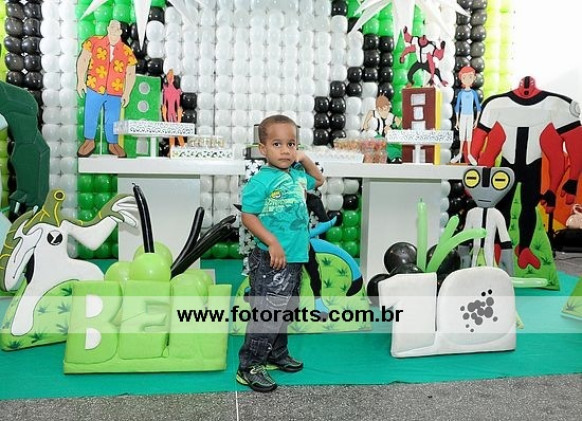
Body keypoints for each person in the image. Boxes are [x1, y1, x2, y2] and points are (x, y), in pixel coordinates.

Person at [237, 114, 325, 392]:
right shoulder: (261, 181)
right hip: (271, 261)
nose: (285, 150)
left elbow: (319, 179)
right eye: (277, 144)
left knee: (285, 310)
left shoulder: (297, 177)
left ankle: (276, 353)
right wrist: (272, 241)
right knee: (267, 314)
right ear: (263, 149)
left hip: (295, 259)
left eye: (291, 144)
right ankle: (249, 366)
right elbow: (248, 216)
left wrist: (304, 158)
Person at [471, 76, 582, 270]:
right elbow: (479, 142)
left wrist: (570, 181)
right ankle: (498, 247)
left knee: (528, 207)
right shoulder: (497, 104)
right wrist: (476, 169)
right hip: (507, 166)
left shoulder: (556, 105)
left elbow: (573, 145)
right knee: (503, 208)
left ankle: (523, 249)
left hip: (531, 165)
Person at [76, 20, 137, 158]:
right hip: (95, 86)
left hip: (115, 91)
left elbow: (130, 73)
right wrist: (80, 80)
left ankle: (113, 143)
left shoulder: (127, 51)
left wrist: (127, 92)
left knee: (113, 118)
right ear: (108, 28)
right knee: (91, 113)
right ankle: (89, 140)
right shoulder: (93, 42)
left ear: (120, 32)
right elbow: (84, 59)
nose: (113, 30)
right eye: (111, 27)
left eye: (117, 28)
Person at [453, 66, 481, 165]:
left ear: (474, 78)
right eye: (464, 77)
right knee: (462, 135)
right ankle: (460, 153)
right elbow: (457, 107)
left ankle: (469, 154)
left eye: (470, 77)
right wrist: (457, 120)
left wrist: (476, 120)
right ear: (461, 78)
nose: (467, 80)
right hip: (463, 115)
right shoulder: (461, 93)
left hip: (470, 115)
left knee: (469, 135)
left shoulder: (473, 93)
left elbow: (478, 107)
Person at [362, 95, 402, 163]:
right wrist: (365, 123)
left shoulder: (391, 117)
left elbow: (399, 122)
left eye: (385, 108)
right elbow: (370, 113)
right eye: (380, 109)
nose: (383, 110)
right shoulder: (377, 115)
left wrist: (392, 128)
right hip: (381, 142)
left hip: (390, 144)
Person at [162, 69, 185, 148]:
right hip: (169, 115)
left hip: (174, 114)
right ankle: (172, 149)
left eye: (171, 77)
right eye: (169, 77)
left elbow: (178, 106)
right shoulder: (166, 90)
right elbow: (164, 106)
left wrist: (179, 119)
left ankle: (182, 147)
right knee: (171, 134)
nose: (170, 78)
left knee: (178, 132)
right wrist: (165, 119)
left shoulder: (176, 92)